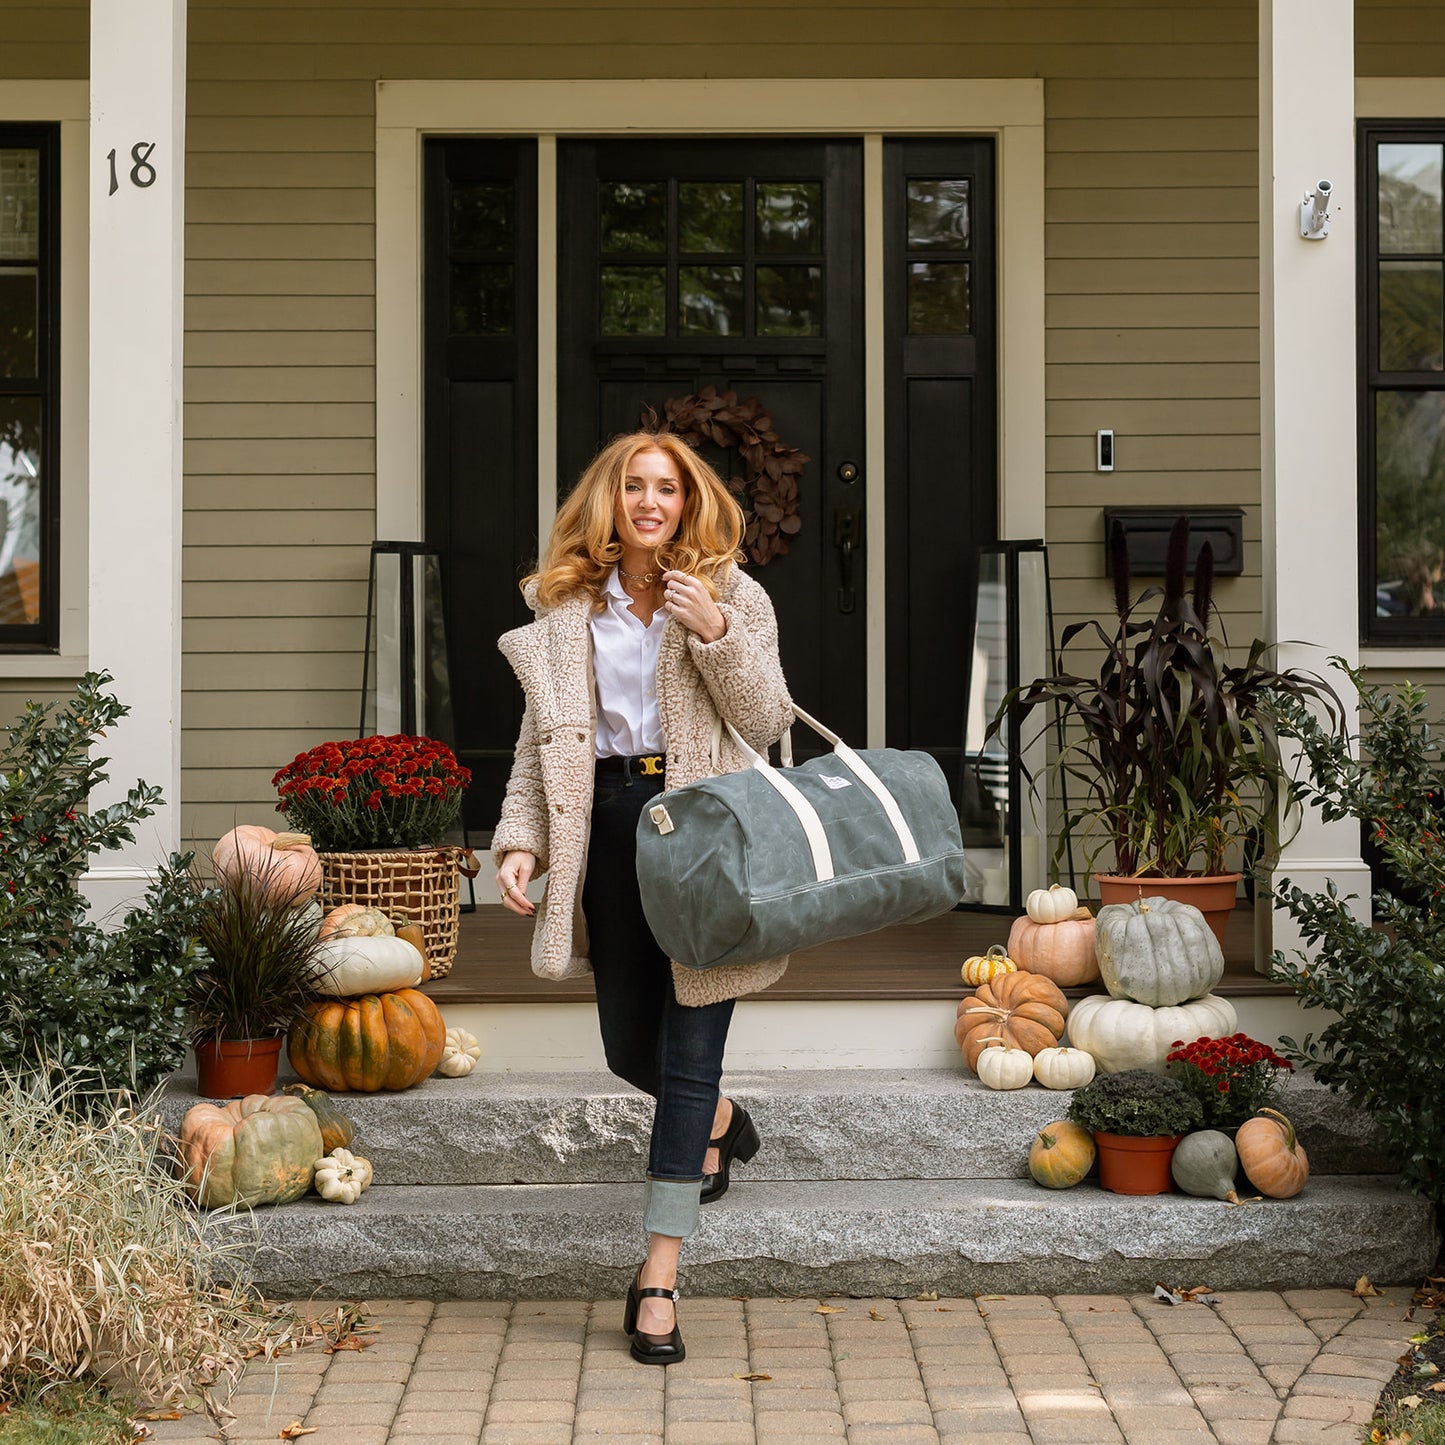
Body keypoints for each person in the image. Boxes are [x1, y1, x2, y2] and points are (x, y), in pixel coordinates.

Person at [492, 429, 794, 1366]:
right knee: (631, 1044)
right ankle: (715, 1122)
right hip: (611, 823)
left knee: (694, 1033)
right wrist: (521, 838)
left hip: (702, 826)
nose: (652, 501)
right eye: (636, 486)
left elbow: (769, 719)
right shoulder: (565, 611)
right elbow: (537, 743)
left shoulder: (733, 596)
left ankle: (658, 1274)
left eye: (668, 487)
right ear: (610, 502)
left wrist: (713, 633)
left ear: (688, 501)